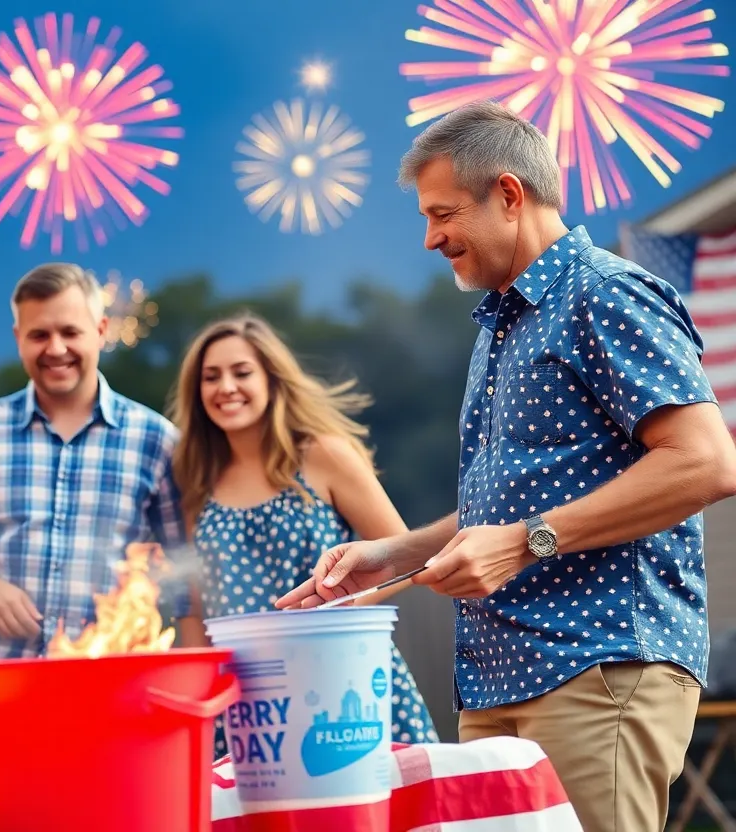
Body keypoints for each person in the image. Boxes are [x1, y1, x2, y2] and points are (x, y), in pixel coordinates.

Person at [278, 100, 736, 832]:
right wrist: (394, 553)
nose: (430, 238)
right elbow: (510, 506)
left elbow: (706, 463)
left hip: (596, 668)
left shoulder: (605, 292)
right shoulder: (505, 322)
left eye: (443, 214)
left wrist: (526, 542)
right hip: (497, 682)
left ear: (509, 195)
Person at [168, 314, 438, 754]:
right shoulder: (196, 483)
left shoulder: (323, 454)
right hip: (245, 700)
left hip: (340, 678)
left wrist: (337, 612)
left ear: (272, 380)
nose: (226, 387)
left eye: (242, 372)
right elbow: (195, 611)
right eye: (211, 377)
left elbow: (405, 556)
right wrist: (197, 701)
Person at [0, 263, 187, 659]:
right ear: (18, 338)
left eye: (70, 332)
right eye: (39, 335)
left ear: (101, 331)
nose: (56, 349)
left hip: (113, 674)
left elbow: (185, 564)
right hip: (0, 672)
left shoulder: (155, 439)